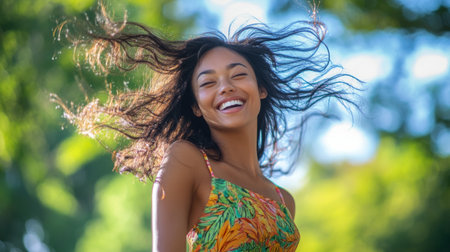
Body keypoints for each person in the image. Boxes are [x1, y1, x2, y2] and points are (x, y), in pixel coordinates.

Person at [54, 3, 358, 251]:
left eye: (238, 75)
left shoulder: (283, 200)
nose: (225, 87)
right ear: (197, 107)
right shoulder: (187, 161)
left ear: (260, 88)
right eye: (208, 83)